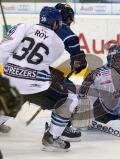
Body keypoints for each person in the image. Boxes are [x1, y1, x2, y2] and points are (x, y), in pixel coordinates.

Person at [0, 6, 78, 151]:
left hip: (9, 81)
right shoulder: (58, 43)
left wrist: (9, 70)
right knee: (71, 100)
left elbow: (3, 49)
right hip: (36, 87)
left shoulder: (22, 26)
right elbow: (44, 64)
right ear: (55, 23)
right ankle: (52, 138)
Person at [54, 3, 87, 142]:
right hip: (40, 72)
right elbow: (75, 50)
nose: (71, 20)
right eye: (70, 17)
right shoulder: (63, 29)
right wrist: (79, 60)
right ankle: (61, 129)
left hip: (15, 67)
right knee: (69, 91)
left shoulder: (38, 26)